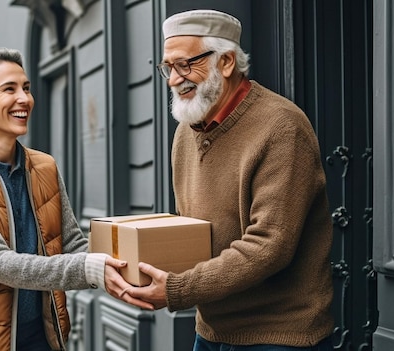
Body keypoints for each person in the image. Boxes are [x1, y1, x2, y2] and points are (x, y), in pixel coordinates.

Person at [0, 47, 149, 351]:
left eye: (26, 88)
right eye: (9, 89)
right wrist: (89, 269)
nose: (24, 99)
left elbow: (73, 244)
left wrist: (134, 260)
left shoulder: (44, 167)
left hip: (41, 336)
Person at [124, 9, 335, 351]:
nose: (174, 79)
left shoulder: (281, 127)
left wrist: (178, 289)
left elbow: (269, 245)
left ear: (225, 62)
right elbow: (191, 229)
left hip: (279, 335)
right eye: (168, 68)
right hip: (210, 331)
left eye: (184, 65)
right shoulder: (185, 133)